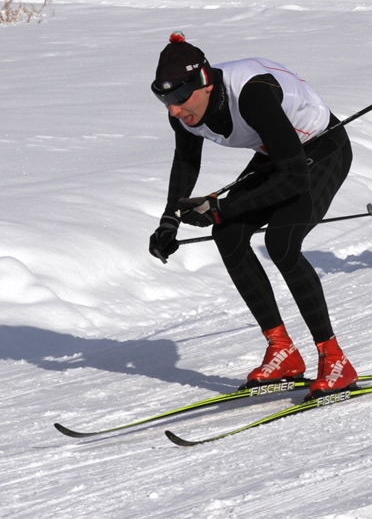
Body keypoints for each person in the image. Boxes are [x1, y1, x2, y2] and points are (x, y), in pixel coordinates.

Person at [147, 32, 358, 398]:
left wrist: (221, 208)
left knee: (282, 242)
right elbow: (186, 161)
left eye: (179, 98)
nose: (174, 110)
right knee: (227, 233)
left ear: (205, 82)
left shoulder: (253, 95)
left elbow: (295, 178)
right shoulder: (183, 112)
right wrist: (169, 220)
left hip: (323, 147)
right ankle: (283, 351)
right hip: (279, 153)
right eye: (164, 99)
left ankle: (335, 359)